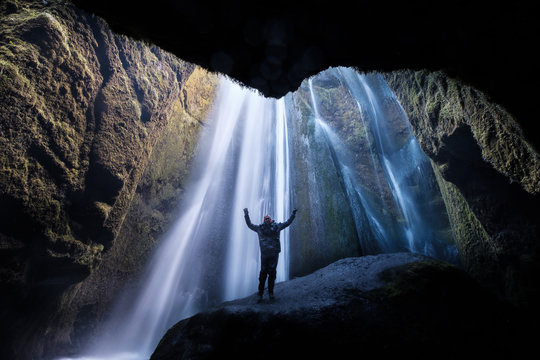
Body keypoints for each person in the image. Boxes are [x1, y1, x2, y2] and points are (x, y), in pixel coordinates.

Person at [243, 207, 297, 301]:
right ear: (264, 220)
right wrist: (246, 214)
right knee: (263, 274)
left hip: (274, 253)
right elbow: (250, 225)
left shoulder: (277, 226)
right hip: (265, 254)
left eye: (268, 218)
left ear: (271, 219)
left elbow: (287, 223)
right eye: (266, 218)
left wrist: (293, 214)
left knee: (272, 273)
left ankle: (271, 293)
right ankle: (260, 293)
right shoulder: (259, 228)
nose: (267, 219)